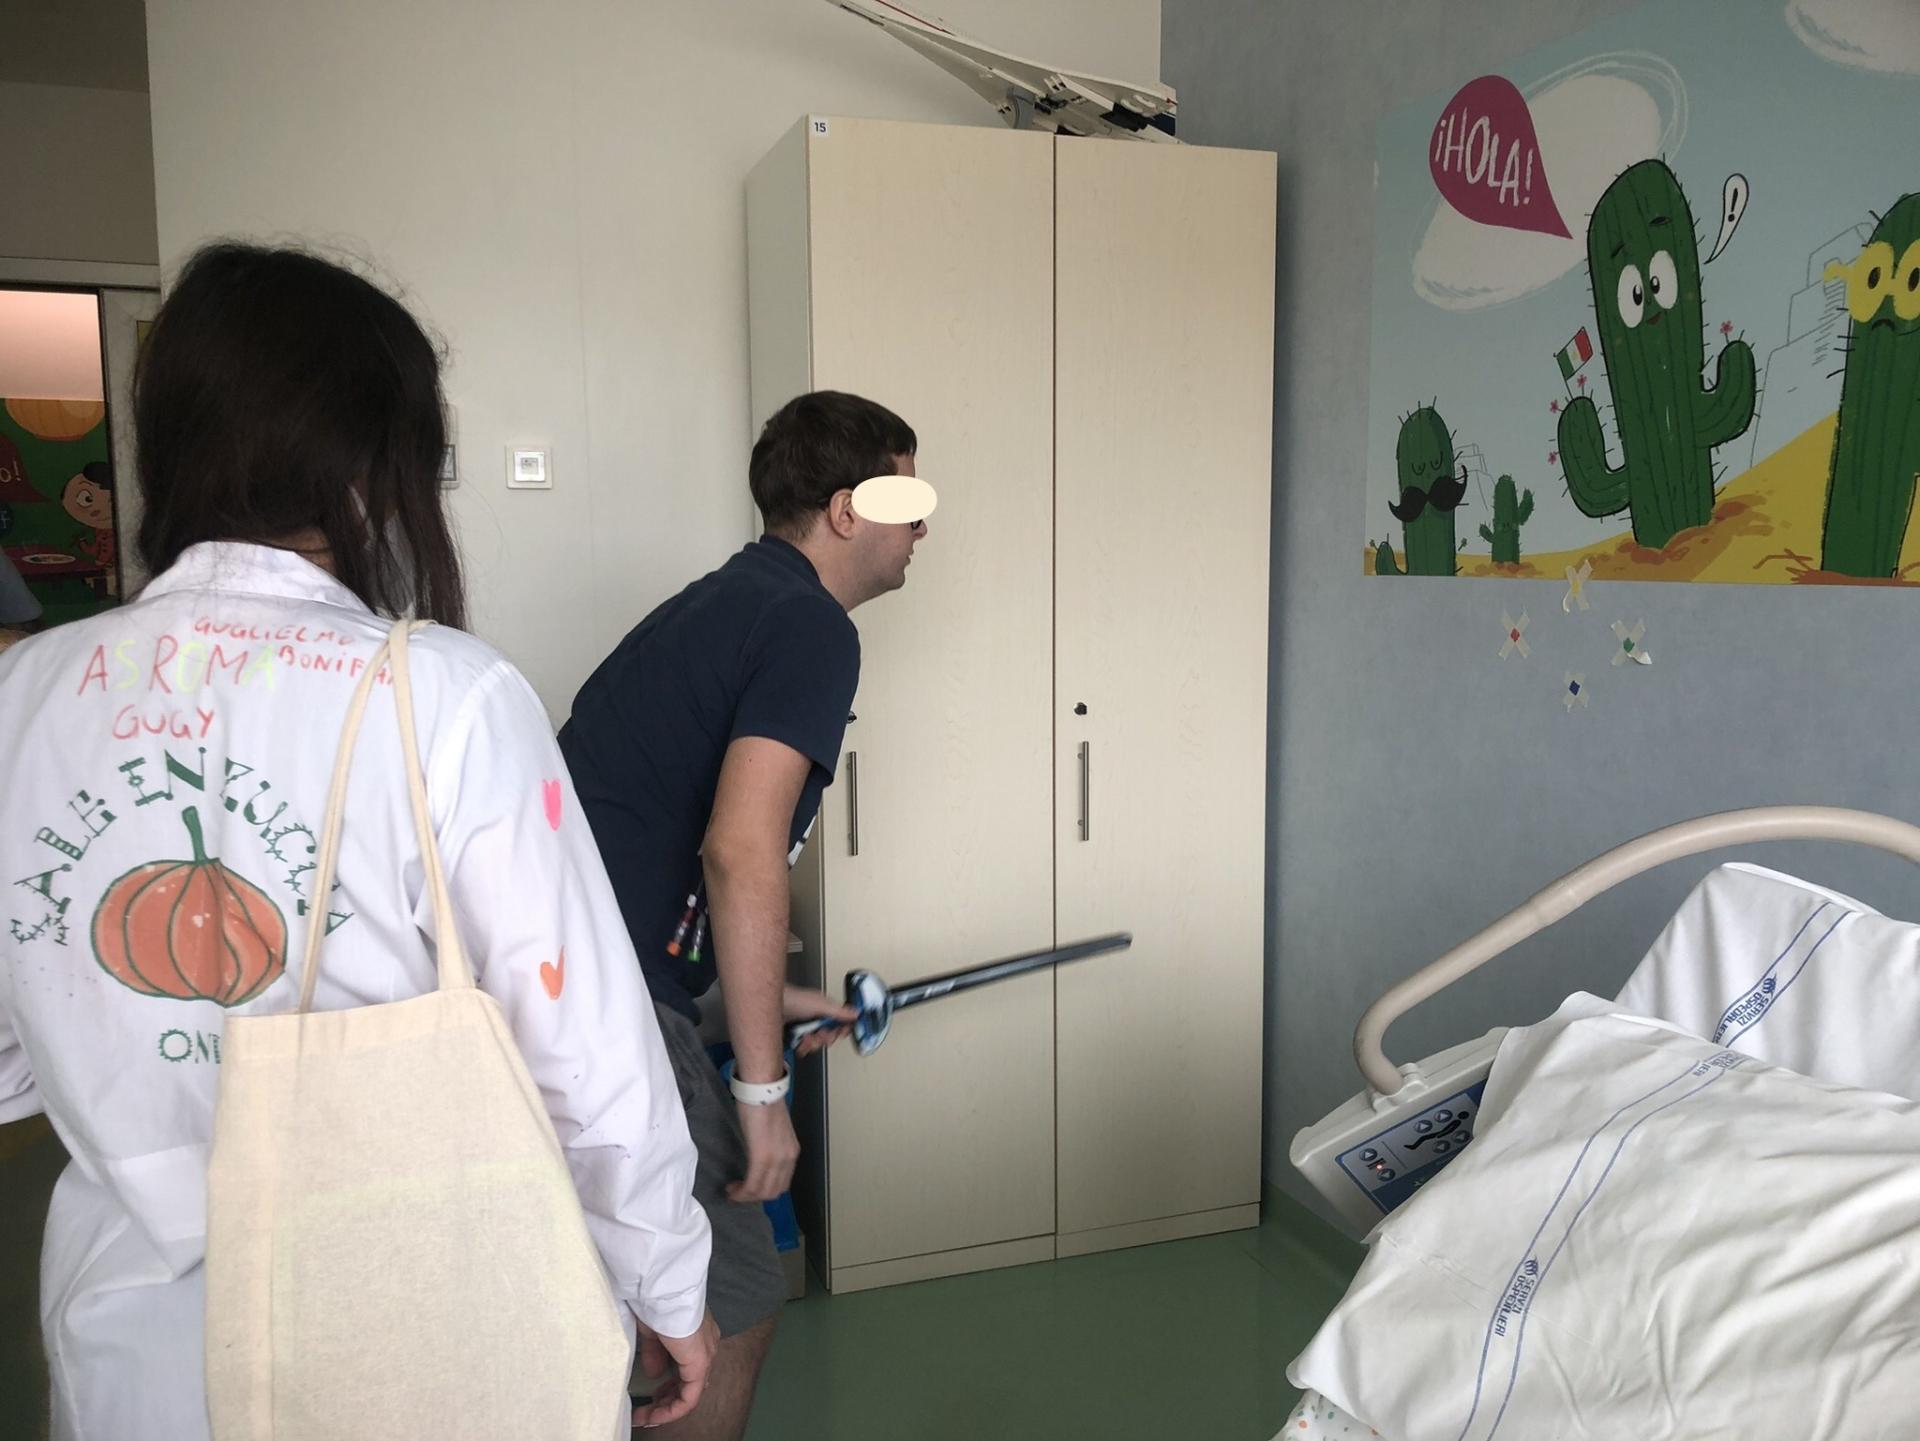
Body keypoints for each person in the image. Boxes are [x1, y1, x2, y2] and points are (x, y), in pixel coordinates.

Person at [0, 242, 718, 1441]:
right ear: (377, 464)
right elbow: (587, 1056)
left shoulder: (23, 697)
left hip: (134, 1360)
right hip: (414, 1339)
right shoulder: (443, 696)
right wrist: (669, 1284)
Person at [559, 390, 926, 1439]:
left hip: (577, 988)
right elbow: (740, 851)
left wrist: (773, 1003)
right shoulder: (810, 624)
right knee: (735, 1297)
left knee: (641, 1306)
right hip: (612, 1007)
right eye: (908, 501)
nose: (923, 530)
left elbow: (654, 868)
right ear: (848, 509)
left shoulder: (722, 602)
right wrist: (763, 1091)